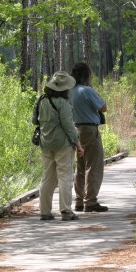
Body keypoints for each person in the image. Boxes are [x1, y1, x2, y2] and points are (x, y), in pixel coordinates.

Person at [32, 71, 84, 221]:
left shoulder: (41, 100)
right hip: (63, 145)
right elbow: (69, 126)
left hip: (46, 143)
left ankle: (45, 212)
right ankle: (66, 211)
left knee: (47, 178)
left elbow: (34, 121)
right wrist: (78, 145)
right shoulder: (63, 104)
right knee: (65, 177)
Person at [70, 62, 108, 213]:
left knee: (80, 166)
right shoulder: (87, 90)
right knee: (93, 166)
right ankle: (90, 201)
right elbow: (103, 107)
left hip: (75, 130)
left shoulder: (69, 91)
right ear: (87, 75)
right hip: (90, 130)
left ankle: (79, 200)